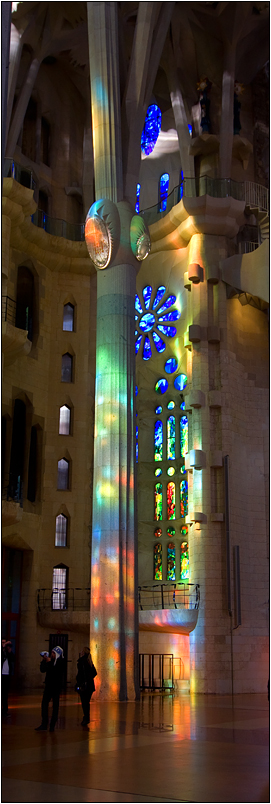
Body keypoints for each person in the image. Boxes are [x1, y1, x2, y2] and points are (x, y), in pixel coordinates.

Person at [35, 646, 64, 732]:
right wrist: (44, 661)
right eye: (52, 653)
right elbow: (43, 670)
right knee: (44, 705)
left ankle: (52, 726)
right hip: (48, 687)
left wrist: (50, 663)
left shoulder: (60, 662)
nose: (52, 655)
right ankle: (44, 724)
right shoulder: (50, 661)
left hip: (56, 688)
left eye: (54, 653)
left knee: (55, 707)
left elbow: (56, 672)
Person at [76, 647, 97, 726]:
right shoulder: (89, 662)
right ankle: (86, 717)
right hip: (90, 685)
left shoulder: (82, 662)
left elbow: (80, 674)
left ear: (83, 653)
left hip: (84, 685)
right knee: (86, 702)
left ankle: (86, 718)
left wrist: (79, 682)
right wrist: (89, 679)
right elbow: (94, 673)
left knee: (84, 703)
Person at [2, 639, 15, 717]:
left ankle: (5, 711)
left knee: (5, 694)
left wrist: (9, 650)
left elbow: (13, 659)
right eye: (3, 642)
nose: (5, 644)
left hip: (6, 675)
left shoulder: (7, 652)